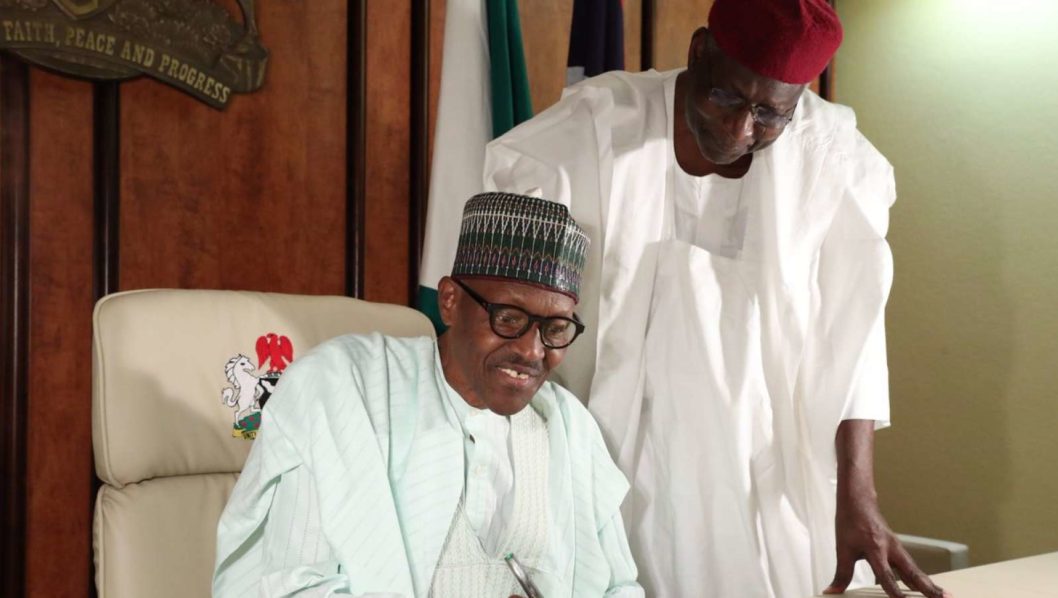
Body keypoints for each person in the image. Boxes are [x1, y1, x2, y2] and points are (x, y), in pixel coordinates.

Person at [483, 1, 949, 597]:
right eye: (725, 97)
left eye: (769, 115)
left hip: (768, 475)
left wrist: (858, 496)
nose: (739, 131)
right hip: (602, 454)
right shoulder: (592, 130)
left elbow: (852, 341)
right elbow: (506, 309)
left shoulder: (834, 158)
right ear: (699, 50)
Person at [212, 192, 643, 597]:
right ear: (450, 301)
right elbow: (292, 587)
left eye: (555, 329)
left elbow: (619, 587)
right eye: (509, 318)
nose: (533, 352)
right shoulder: (342, 390)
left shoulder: (567, 426)